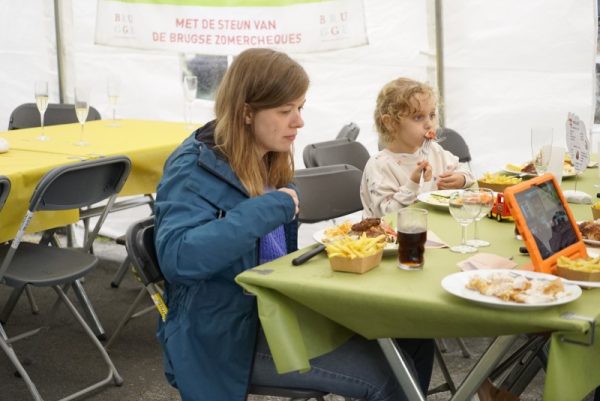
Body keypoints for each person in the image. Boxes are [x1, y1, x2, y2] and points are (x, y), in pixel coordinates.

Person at [154, 48, 434, 401]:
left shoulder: (265, 154)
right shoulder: (192, 168)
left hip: (276, 311)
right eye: (286, 111)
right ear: (245, 112)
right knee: (387, 377)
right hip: (223, 334)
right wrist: (266, 209)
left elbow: (269, 256)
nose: (299, 121)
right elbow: (179, 258)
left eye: (300, 107)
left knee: (415, 335)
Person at [361, 77, 475, 218]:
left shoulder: (434, 151)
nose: (429, 124)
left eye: (432, 115)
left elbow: (467, 173)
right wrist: (412, 185)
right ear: (390, 123)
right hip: (392, 237)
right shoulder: (380, 165)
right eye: (418, 117)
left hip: (431, 228)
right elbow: (386, 215)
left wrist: (461, 179)